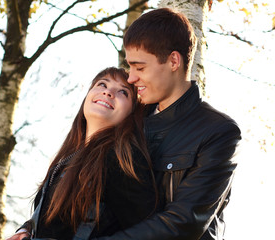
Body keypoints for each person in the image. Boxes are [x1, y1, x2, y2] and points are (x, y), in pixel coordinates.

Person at [95, 8, 242, 240]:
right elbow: (77, 176)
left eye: (140, 67)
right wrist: (31, 227)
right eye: (130, 67)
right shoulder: (128, 117)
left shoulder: (218, 131)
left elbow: (183, 223)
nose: (131, 78)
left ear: (173, 60)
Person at [6, 67, 158, 240]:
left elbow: (149, 231)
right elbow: (57, 224)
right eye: (102, 84)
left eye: (123, 92)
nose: (108, 93)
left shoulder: (124, 161)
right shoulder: (67, 160)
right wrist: (26, 230)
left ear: (132, 113)